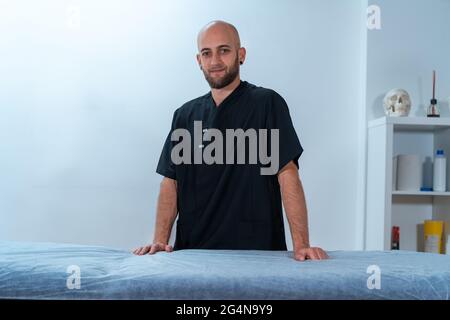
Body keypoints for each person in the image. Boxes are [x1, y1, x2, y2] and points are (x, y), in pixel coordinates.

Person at [133, 20, 328, 261]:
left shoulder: (267, 104)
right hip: (192, 257)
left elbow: (287, 174)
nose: (215, 61)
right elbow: (171, 182)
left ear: (241, 54)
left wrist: (302, 245)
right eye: (207, 53)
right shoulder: (184, 115)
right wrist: (160, 241)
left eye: (223, 50)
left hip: (258, 256)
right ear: (199, 61)